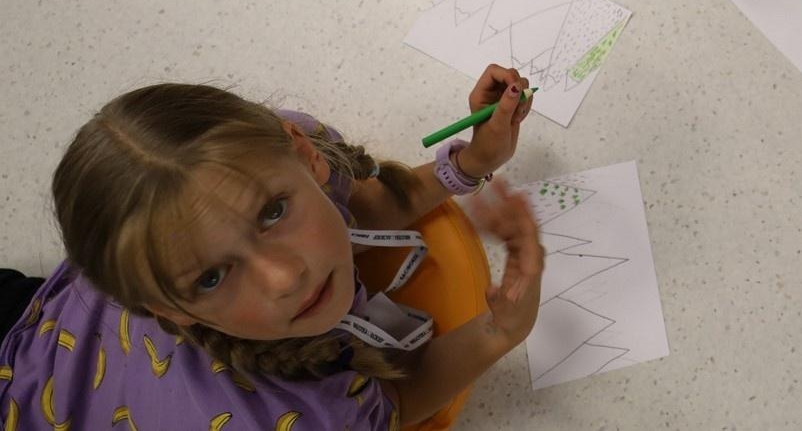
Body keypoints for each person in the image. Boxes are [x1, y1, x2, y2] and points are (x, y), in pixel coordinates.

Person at [0, 67, 545, 427]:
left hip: (34, 320)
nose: (284, 277)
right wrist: (498, 331)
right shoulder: (293, 417)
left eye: (273, 213)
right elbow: (394, 406)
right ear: (168, 310)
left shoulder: (266, 152)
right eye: (212, 277)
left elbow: (366, 203)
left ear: (304, 153)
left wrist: (474, 161)